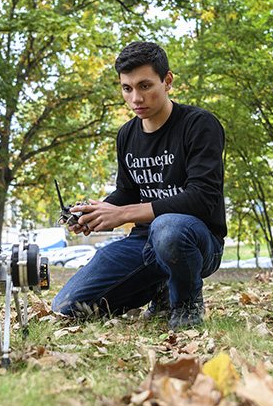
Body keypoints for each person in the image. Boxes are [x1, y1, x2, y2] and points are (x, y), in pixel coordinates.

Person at [51, 41, 226, 330]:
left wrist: (123, 215)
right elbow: (128, 191)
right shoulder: (127, 134)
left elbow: (202, 198)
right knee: (68, 306)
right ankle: (159, 287)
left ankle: (184, 301)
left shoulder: (199, 125)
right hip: (143, 244)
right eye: (127, 88)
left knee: (168, 228)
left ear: (167, 80)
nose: (136, 98)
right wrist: (96, 212)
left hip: (197, 241)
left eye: (145, 86)